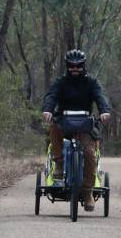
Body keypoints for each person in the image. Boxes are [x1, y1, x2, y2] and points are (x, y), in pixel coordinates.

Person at [41, 49, 112, 212]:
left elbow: (100, 97)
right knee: (53, 127)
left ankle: (87, 193)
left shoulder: (91, 83)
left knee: (89, 154)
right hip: (64, 122)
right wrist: (48, 110)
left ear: (83, 66)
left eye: (78, 66)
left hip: (85, 125)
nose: (75, 69)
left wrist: (104, 111)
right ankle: (58, 163)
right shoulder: (61, 82)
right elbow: (51, 96)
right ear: (67, 66)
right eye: (71, 66)